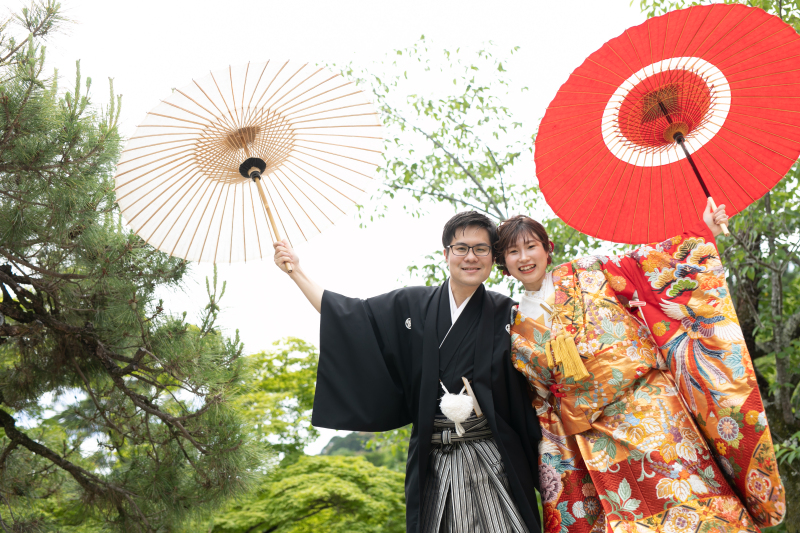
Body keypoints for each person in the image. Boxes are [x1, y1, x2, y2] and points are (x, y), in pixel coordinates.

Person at [495, 199, 785, 533]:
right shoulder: (515, 326)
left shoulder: (589, 269)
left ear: (548, 249)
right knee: (629, 515)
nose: (524, 257)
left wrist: (702, 228)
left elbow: (650, 265)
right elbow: (542, 398)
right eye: (513, 252)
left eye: (531, 246)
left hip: (648, 405)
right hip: (592, 434)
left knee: (691, 489)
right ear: (504, 263)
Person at [273, 211, 542, 533]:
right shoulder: (412, 304)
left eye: (481, 249)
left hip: (493, 456)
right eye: (461, 248)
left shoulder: (508, 314)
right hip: (434, 460)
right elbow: (348, 316)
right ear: (446, 254)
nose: (471, 257)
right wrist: (297, 272)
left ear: (492, 256)